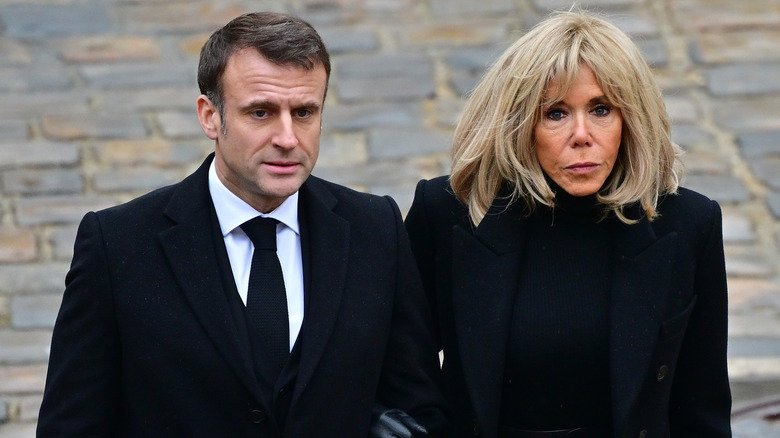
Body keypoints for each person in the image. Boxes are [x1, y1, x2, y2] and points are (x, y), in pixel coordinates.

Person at [37, 12, 445, 437]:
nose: (287, 138)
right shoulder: (118, 246)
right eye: (261, 113)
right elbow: (72, 425)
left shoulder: (374, 230)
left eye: (304, 112)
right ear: (210, 116)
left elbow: (418, 407)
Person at [405, 10, 731, 438]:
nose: (582, 134)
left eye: (601, 109)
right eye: (555, 113)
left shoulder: (688, 224)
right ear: (521, 125)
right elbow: (402, 371)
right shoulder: (449, 212)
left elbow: (702, 409)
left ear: (630, 120)